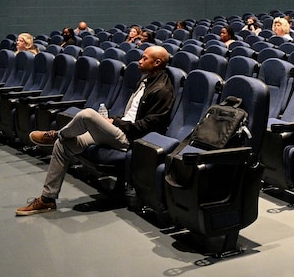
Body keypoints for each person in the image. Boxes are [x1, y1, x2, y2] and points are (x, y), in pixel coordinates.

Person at [16, 46, 175, 216]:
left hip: (131, 139)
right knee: (63, 146)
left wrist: (116, 122)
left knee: (87, 114)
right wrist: (113, 120)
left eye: (144, 58)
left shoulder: (162, 90)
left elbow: (148, 126)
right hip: (119, 131)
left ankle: (56, 134)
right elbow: (131, 114)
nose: (139, 61)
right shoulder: (145, 81)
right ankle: (47, 200)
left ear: (157, 62)